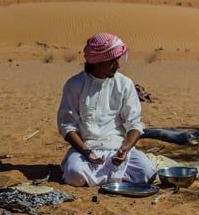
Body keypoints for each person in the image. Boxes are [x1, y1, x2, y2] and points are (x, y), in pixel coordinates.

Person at [57, 32, 156, 186]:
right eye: (112, 61)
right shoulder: (74, 84)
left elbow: (134, 123)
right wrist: (87, 152)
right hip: (87, 149)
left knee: (147, 172)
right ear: (97, 62)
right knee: (73, 175)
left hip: (118, 147)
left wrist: (125, 149)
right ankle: (109, 175)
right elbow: (67, 126)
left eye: (118, 59)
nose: (118, 65)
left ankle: (102, 175)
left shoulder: (125, 84)